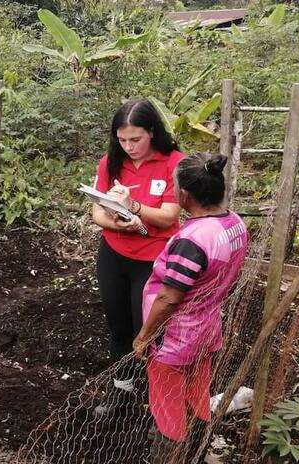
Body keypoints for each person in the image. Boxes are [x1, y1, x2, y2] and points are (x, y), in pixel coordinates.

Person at [133, 153, 249, 463]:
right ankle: (197, 447)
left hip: (175, 339)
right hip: (208, 327)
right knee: (197, 393)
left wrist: (145, 336)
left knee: (167, 404)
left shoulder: (192, 240)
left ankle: (169, 456)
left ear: (184, 195)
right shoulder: (235, 224)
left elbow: (170, 298)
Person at [91, 99, 184, 400]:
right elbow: (97, 212)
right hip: (114, 254)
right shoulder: (111, 162)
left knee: (145, 326)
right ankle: (122, 386)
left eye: (136, 139)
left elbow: (169, 216)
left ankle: (153, 388)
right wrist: (119, 226)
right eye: (122, 140)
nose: (129, 146)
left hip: (152, 259)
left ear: (153, 133)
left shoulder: (174, 163)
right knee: (117, 323)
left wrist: (133, 207)